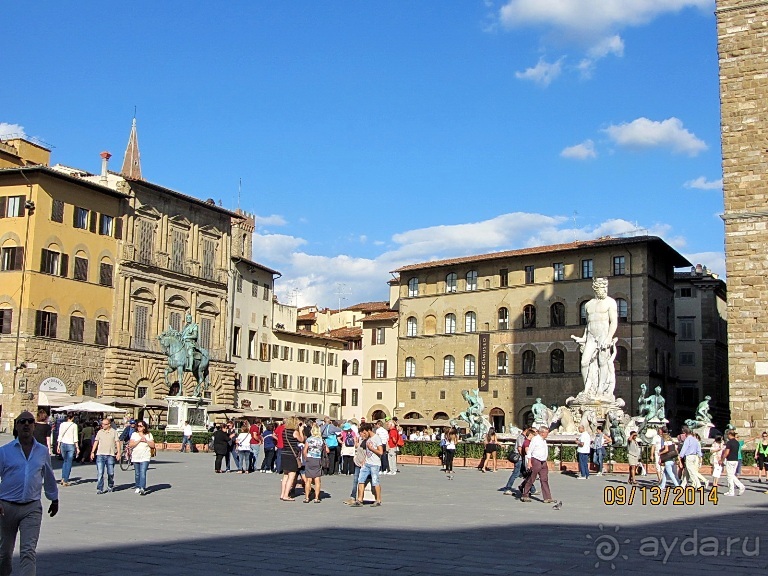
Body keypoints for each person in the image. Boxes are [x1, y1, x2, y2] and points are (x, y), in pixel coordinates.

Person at [0, 412, 59, 575]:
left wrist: (54, 498)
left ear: (34, 426)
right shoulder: (4, 452)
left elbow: (48, 475)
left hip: (31, 508)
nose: (26, 424)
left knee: (28, 552)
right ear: (16, 426)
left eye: (30, 422)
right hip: (6, 507)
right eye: (22, 422)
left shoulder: (42, 451)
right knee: (4, 554)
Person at [571, 277, 618, 400]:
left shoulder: (610, 302)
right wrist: (583, 338)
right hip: (591, 337)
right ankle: (588, 389)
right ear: (595, 289)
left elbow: (614, 322)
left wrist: (609, 338)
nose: (605, 290)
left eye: (605, 288)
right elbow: (588, 324)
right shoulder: (588, 305)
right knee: (584, 362)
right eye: (602, 288)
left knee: (603, 363)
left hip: (603, 336)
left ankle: (600, 390)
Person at [350, 423, 384, 507]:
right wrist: (364, 460)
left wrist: (371, 448)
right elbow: (366, 452)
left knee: (375, 481)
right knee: (360, 480)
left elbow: (381, 452)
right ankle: (360, 499)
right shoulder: (367, 439)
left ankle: (378, 500)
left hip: (375, 464)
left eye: (365, 432)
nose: (364, 434)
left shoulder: (377, 438)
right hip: (367, 463)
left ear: (369, 430)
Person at [520, 426, 554, 504]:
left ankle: (547, 497)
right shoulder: (535, 439)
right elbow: (529, 451)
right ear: (542, 433)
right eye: (547, 433)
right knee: (532, 478)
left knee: (544, 479)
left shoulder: (543, 440)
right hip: (536, 460)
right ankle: (525, 494)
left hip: (543, 461)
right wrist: (529, 462)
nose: (547, 434)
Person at [90, 418, 121, 494]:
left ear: (109, 424)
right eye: (102, 424)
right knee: (100, 473)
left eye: (104, 424)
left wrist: (119, 453)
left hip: (110, 455)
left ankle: (110, 485)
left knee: (110, 473)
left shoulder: (114, 432)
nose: (102, 425)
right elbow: (96, 442)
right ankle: (100, 488)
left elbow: (117, 442)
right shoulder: (100, 432)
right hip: (100, 454)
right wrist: (92, 452)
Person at [279, 417, 305, 502]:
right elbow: (301, 439)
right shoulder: (295, 432)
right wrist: (301, 430)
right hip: (292, 455)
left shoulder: (284, 431)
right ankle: (286, 495)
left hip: (284, 453)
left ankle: (282, 494)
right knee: (291, 476)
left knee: (285, 475)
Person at [128, 420, 155, 495]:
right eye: (138, 426)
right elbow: (131, 445)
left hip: (145, 456)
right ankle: (137, 486)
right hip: (136, 456)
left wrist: (146, 441)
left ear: (144, 427)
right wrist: (139, 440)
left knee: (143, 472)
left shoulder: (149, 434)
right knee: (137, 473)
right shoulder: (134, 434)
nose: (139, 427)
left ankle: (142, 488)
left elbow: (153, 445)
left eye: (141, 426)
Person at [303, 424, 326, 502]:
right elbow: (327, 450)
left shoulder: (309, 439)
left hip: (310, 458)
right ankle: (316, 497)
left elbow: (304, 450)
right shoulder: (321, 440)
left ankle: (306, 497)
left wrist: (307, 458)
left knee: (308, 480)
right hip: (317, 459)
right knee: (317, 480)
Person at [56, 413, 79, 486]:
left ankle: (63, 478)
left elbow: (60, 435)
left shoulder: (62, 424)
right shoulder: (74, 425)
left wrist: (58, 446)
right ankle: (65, 480)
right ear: (73, 418)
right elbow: (75, 437)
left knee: (65, 461)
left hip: (63, 444)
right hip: (70, 444)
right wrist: (77, 447)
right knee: (69, 462)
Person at [721, 429, 745, 496]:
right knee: (732, 475)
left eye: (727, 435)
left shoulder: (729, 442)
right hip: (736, 460)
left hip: (730, 460)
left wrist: (722, 459)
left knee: (729, 476)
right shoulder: (737, 442)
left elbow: (727, 452)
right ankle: (734, 489)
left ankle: (735, 489)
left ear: (729, 435)